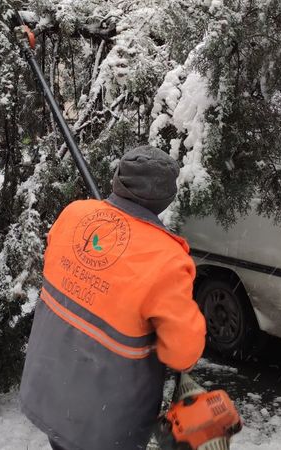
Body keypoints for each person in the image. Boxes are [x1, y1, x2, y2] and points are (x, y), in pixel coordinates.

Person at [20, 145, 207, 450]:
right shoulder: (167, 260)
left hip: (51, 392)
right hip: (106, 424)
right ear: (166, 198)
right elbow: (182, 353)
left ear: (117, 180)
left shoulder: (73, 215)